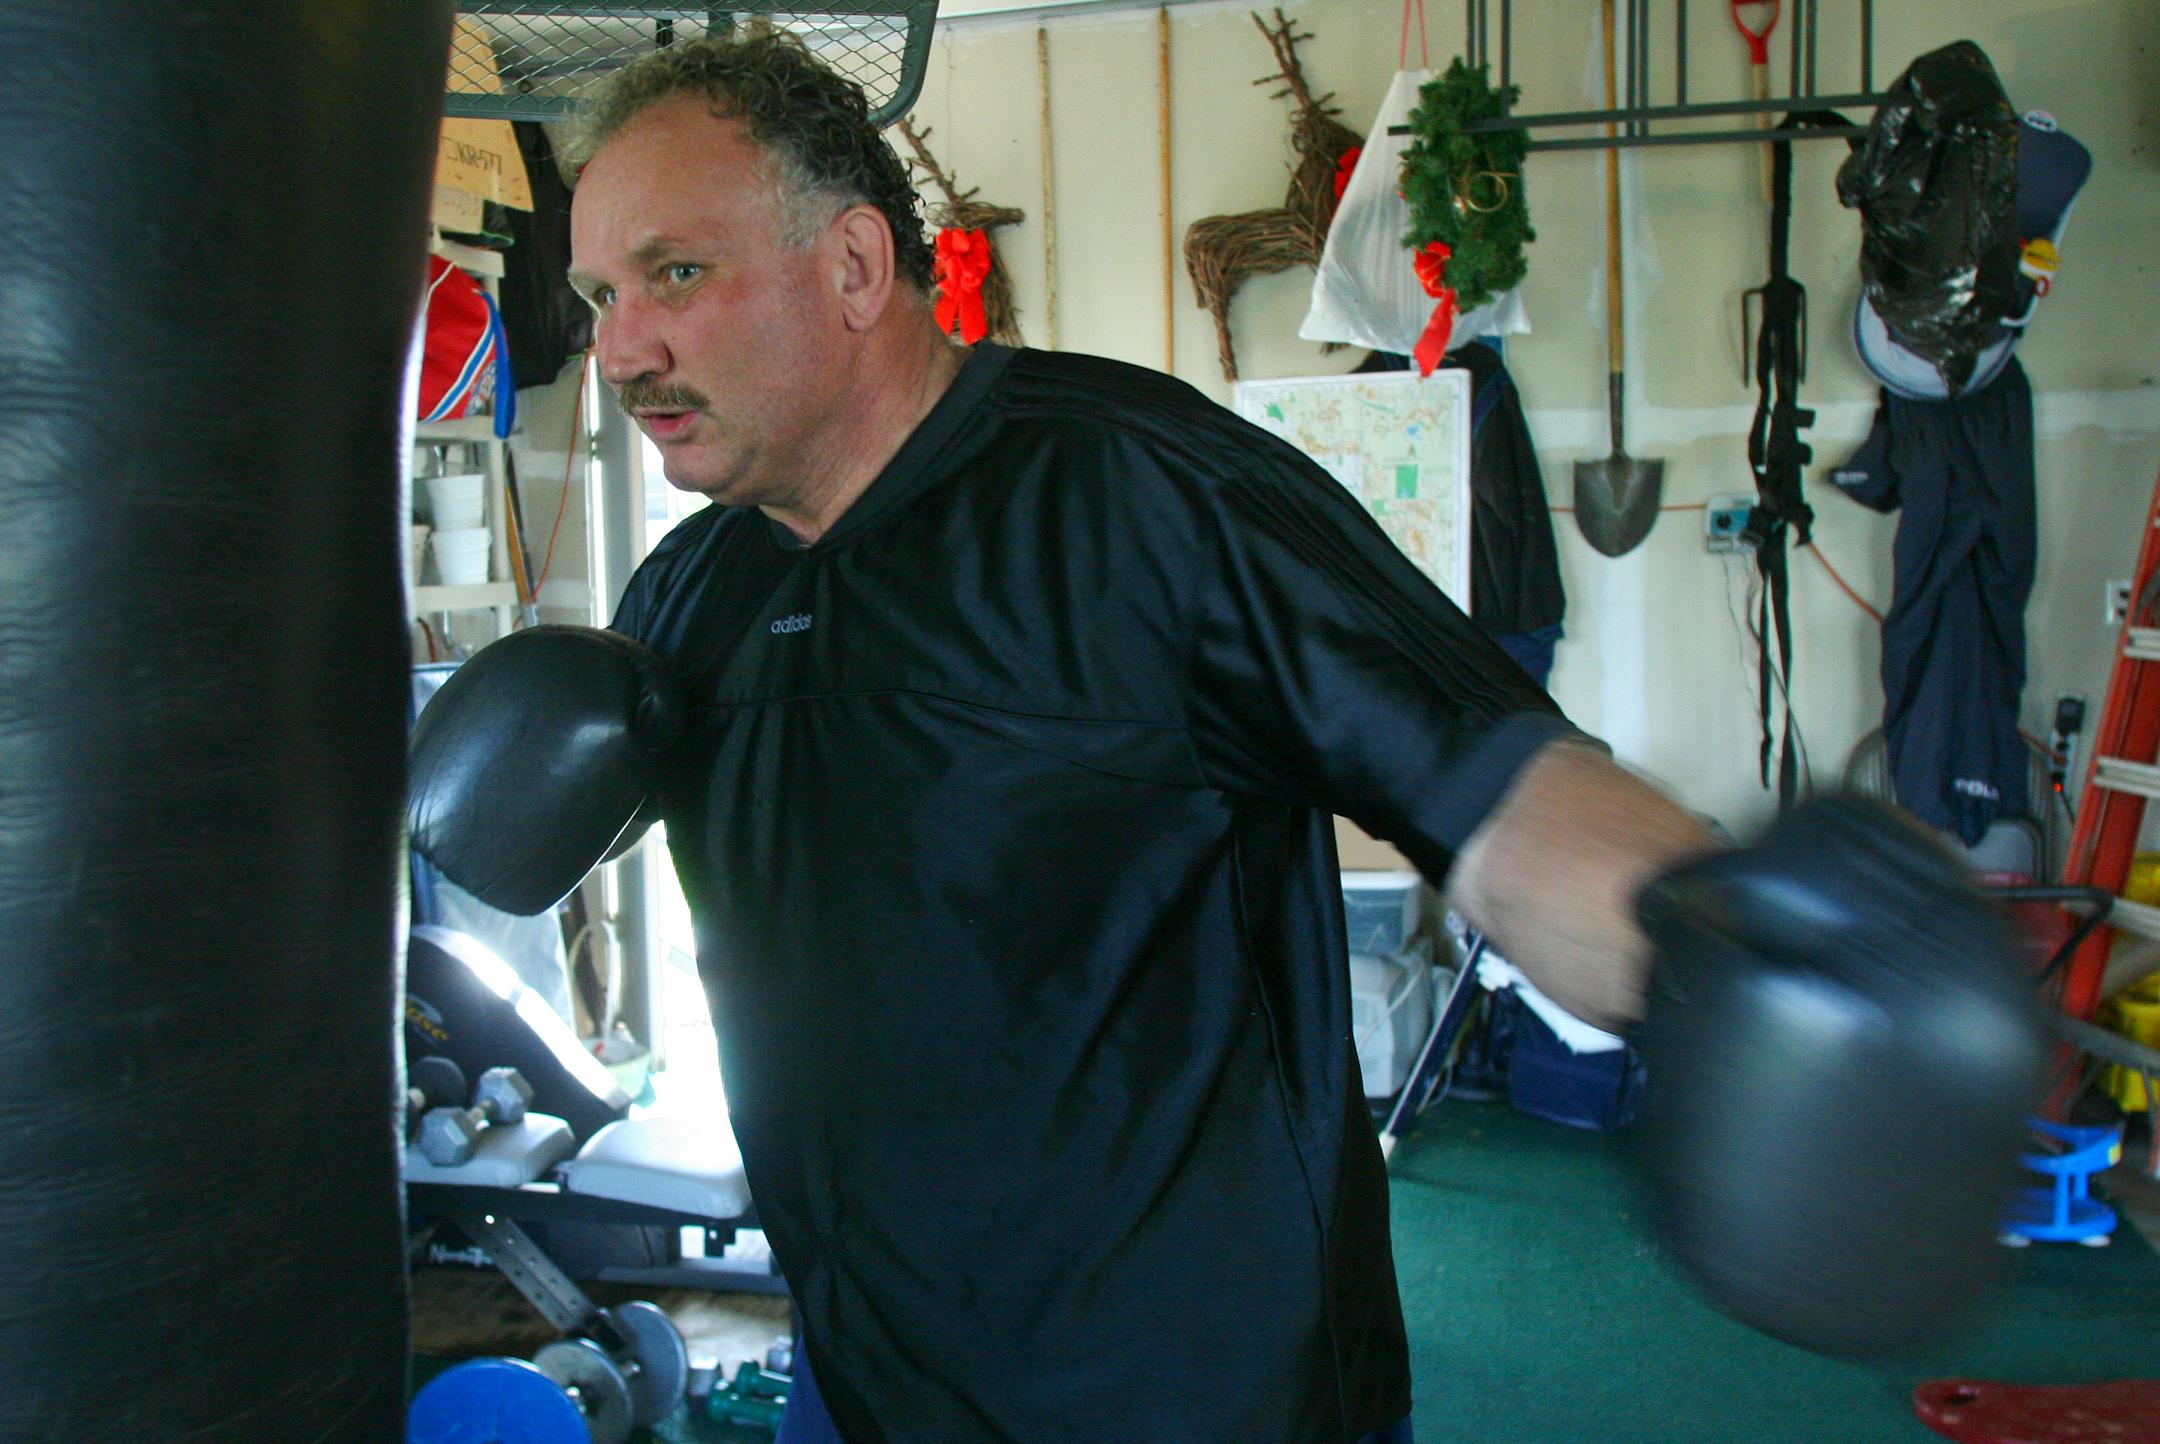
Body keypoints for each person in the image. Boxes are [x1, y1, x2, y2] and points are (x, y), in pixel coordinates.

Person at [410, 31, 2046, 1444]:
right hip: (871, 1382)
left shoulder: (1144, 494)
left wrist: (1712, 956)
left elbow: (1484, 780)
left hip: (1193, 1397)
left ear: (852, 267)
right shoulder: (691, 586)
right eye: (603, 295)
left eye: (674, 275)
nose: (620, 349)